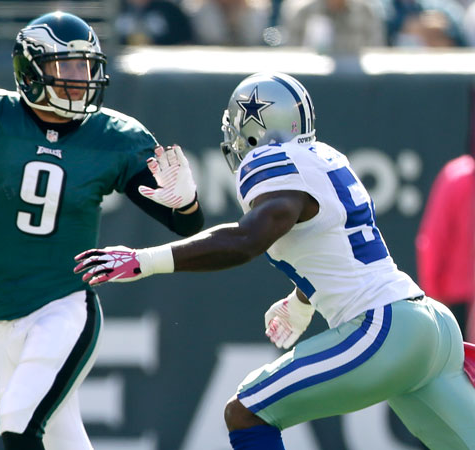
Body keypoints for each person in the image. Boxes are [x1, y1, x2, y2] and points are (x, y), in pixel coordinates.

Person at [75, 72, 475, 449]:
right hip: (431, 328)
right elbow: (329, 246)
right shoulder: (324, 158)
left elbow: (246, 239)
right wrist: (302, 303)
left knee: (247, 412)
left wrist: (143, 260)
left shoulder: (272, 165)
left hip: (382, 328)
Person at [0, 11, 204, 450]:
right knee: (61, 439)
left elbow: (186, 224)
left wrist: (187, 203)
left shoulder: (112, 137)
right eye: (67, 66)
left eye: (86, 66)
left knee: (20, 427)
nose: (80, 78)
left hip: (63, 307)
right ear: (31, 70)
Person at [416, 154, 475, 342]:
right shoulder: (457, 177)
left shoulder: (455, 176)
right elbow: (432, 243)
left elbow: (431, 242)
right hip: (455, 304)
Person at [278, 0, 385, 54]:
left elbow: (375, 52)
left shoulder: (366, 11)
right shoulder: (301, 11)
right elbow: (292, 55)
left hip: (357, 84)